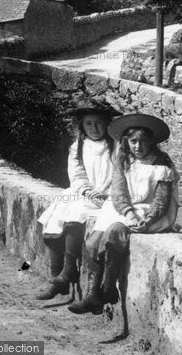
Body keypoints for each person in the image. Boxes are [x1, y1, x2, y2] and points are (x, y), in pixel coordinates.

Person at [69, 113, 178, 315]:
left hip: (147, 209)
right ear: (127, 142)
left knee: (114, 233)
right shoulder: (123, 159)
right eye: (133, 141)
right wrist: (128, 212)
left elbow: (161, 199)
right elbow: (118, 190)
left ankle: (108, 288)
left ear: (152, 142)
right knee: (94, 241)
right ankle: (95, 294)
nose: (138, 146)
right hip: (121, 207)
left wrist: (149, 219)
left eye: (143, 142)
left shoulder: (162, 164)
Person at [36, 101, 119, 300]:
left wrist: (106, 193)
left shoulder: (116, 146)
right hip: (85, 192)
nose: (94, 129)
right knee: (53, 218)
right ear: (82, 126)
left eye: (99, 123)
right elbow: (77, 173)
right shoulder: (79, 146)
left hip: (109, 196)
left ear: (107, 124)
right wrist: (86, 190)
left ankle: (69, 270)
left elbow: (121, 174)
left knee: (76, 213)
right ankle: (58, 278)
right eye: (88, 124)